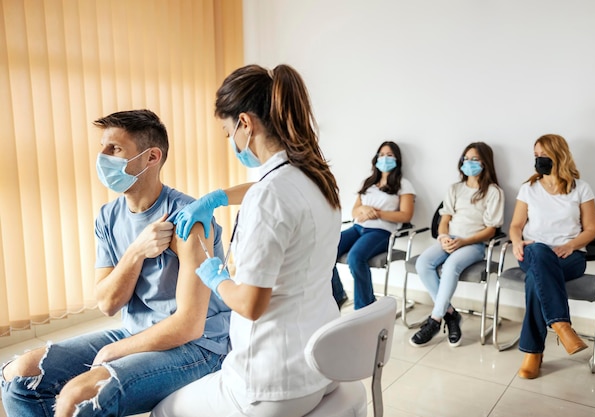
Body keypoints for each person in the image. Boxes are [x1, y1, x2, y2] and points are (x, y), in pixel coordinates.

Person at [0, 110, 231, 417]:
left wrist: (114, 351)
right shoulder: (108, 217)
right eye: (102, 147)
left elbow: (189, 324)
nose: (102, 157)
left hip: (198, 346)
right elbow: (108, 303)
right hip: (136, 333)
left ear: (151, 158)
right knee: (20, 375)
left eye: (115, 149)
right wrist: (136, 251)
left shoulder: (189, 217)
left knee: (77, 397)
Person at [151, 64, 342, 417]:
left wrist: (214, 276)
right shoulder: (316, 176)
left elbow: (250, 305)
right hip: (321, 365)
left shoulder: (269, 197)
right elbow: (273, 192)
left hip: (273, 384)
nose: (230, 142)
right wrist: (219, 197)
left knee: (164, 410)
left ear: (245, 124)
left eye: (228, 132)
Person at [509, 134, 595, 379]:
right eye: (535, 155)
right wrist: (516, 241)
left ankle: (533, 352)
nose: (538, 160)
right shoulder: (529, 188)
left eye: (543, 155)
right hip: (533, 252)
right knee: (538, 251)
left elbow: (591, 229)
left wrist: (572, 245)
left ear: (559, 155)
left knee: (534, 281)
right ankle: (561, 326)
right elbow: (516, 225)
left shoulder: (582, 188)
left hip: (570, 257)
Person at [409, 142, 504, 348]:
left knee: (451, 266)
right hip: (451, 238)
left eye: (474, 159)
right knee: (423, 263)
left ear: (485, 163)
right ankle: (450, 314)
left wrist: (464, 241)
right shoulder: (455, 189)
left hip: (474, 244)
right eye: (466, 159)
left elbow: (491, 230)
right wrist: (443, 236)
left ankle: (435, 320)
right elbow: (445, 219)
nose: (468, 163)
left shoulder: (494, 192)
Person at [330, 141, 415, 310]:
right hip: (357, 228)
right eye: (381, 155)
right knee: (327, 250)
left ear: (397, 159)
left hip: (381, 232)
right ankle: (338, 295)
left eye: (389, 155)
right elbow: (355, 211)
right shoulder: (368, 183)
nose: (385, 158)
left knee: (355, 258)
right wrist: (363, 209)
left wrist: (377, 213)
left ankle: (365, 306)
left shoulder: (403, 184)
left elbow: (406, 215)